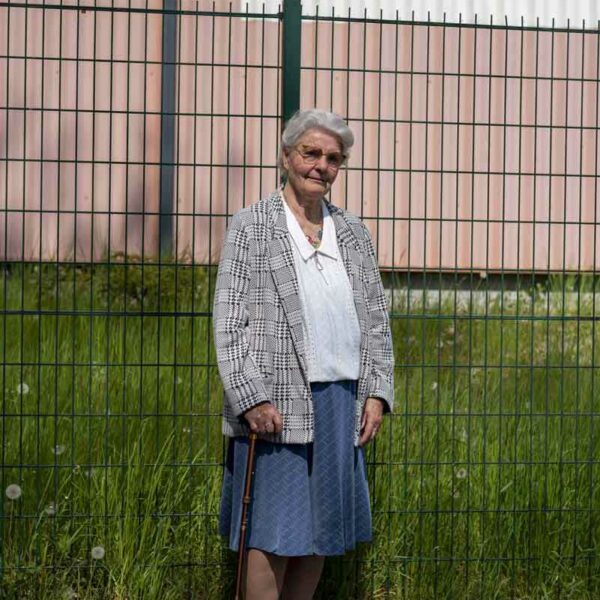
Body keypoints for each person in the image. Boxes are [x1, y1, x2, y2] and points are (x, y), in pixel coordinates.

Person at [214, 108, 394, 600]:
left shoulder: (354, 234)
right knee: (271, 532)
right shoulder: (252, 225)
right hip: (275, 403)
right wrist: (249, 398)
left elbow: (377, 321)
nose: (320, 165)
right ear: (286, 156)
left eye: (333, 158)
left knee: (320, 529)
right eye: (310, 153)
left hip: (341, 401)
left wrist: (376, 394)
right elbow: (229, 322)